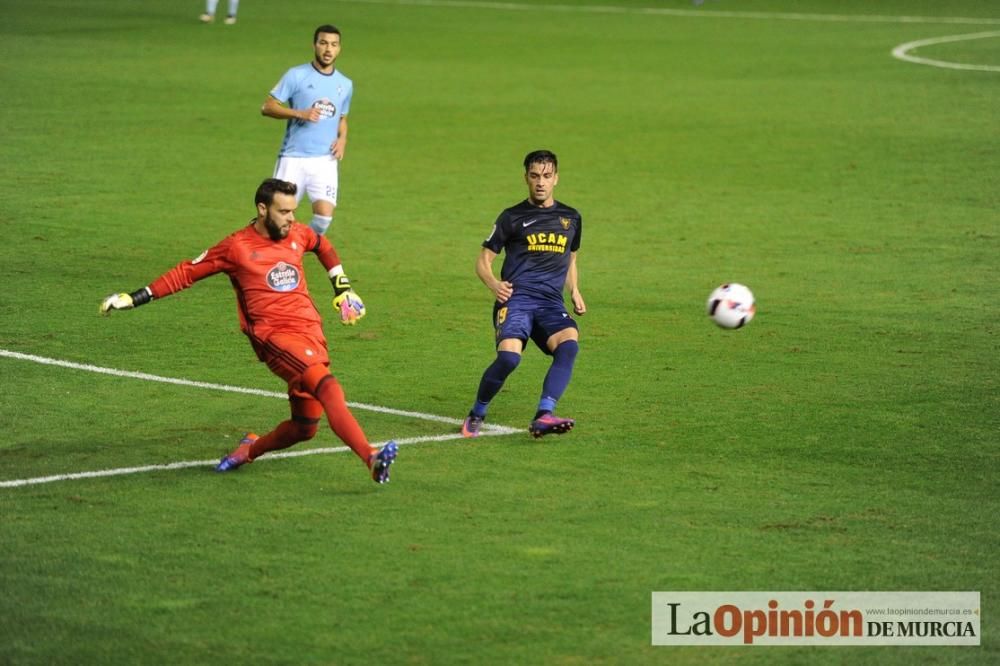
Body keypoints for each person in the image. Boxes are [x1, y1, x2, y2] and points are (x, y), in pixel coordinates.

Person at [99, 178, 397, 483]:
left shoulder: (296, 233)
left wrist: (342, 287)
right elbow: (186, 273)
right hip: (275, 338)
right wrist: (135, 297)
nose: (292, 218)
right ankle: (371, 457)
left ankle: (249, 450)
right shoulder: (237, 247)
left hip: (311, 334)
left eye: (294, 211)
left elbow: (323, 246)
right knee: (329, 388)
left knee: (304, 426)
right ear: (262, 209)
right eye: (284, 212)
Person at [461, 150, 587, 439]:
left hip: (550, 302)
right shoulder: (512, 217)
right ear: (526, 178)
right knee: (509, 360)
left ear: (556, 178)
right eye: (534, 176)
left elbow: (571, 259)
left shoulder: (571, 218)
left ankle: (544, 414)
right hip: (516, 299)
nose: (540, 183)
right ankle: (478, 412)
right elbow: (483, 260)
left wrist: (575, 290)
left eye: (546, 176)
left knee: (569, 345)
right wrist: (493, 284)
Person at [261, 25, 352, 236]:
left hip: (325, 160)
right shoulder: (296, 75)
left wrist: (343, 139)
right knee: (275, 218)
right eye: (323, 43)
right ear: (314, 45)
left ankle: (297, 248)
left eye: (333, 44)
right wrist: (300, 113)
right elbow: (267, 107)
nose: (328, 49)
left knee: (324, 217)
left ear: (339, 49)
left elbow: (342, 117)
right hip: (293, 158)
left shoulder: (345, 84)